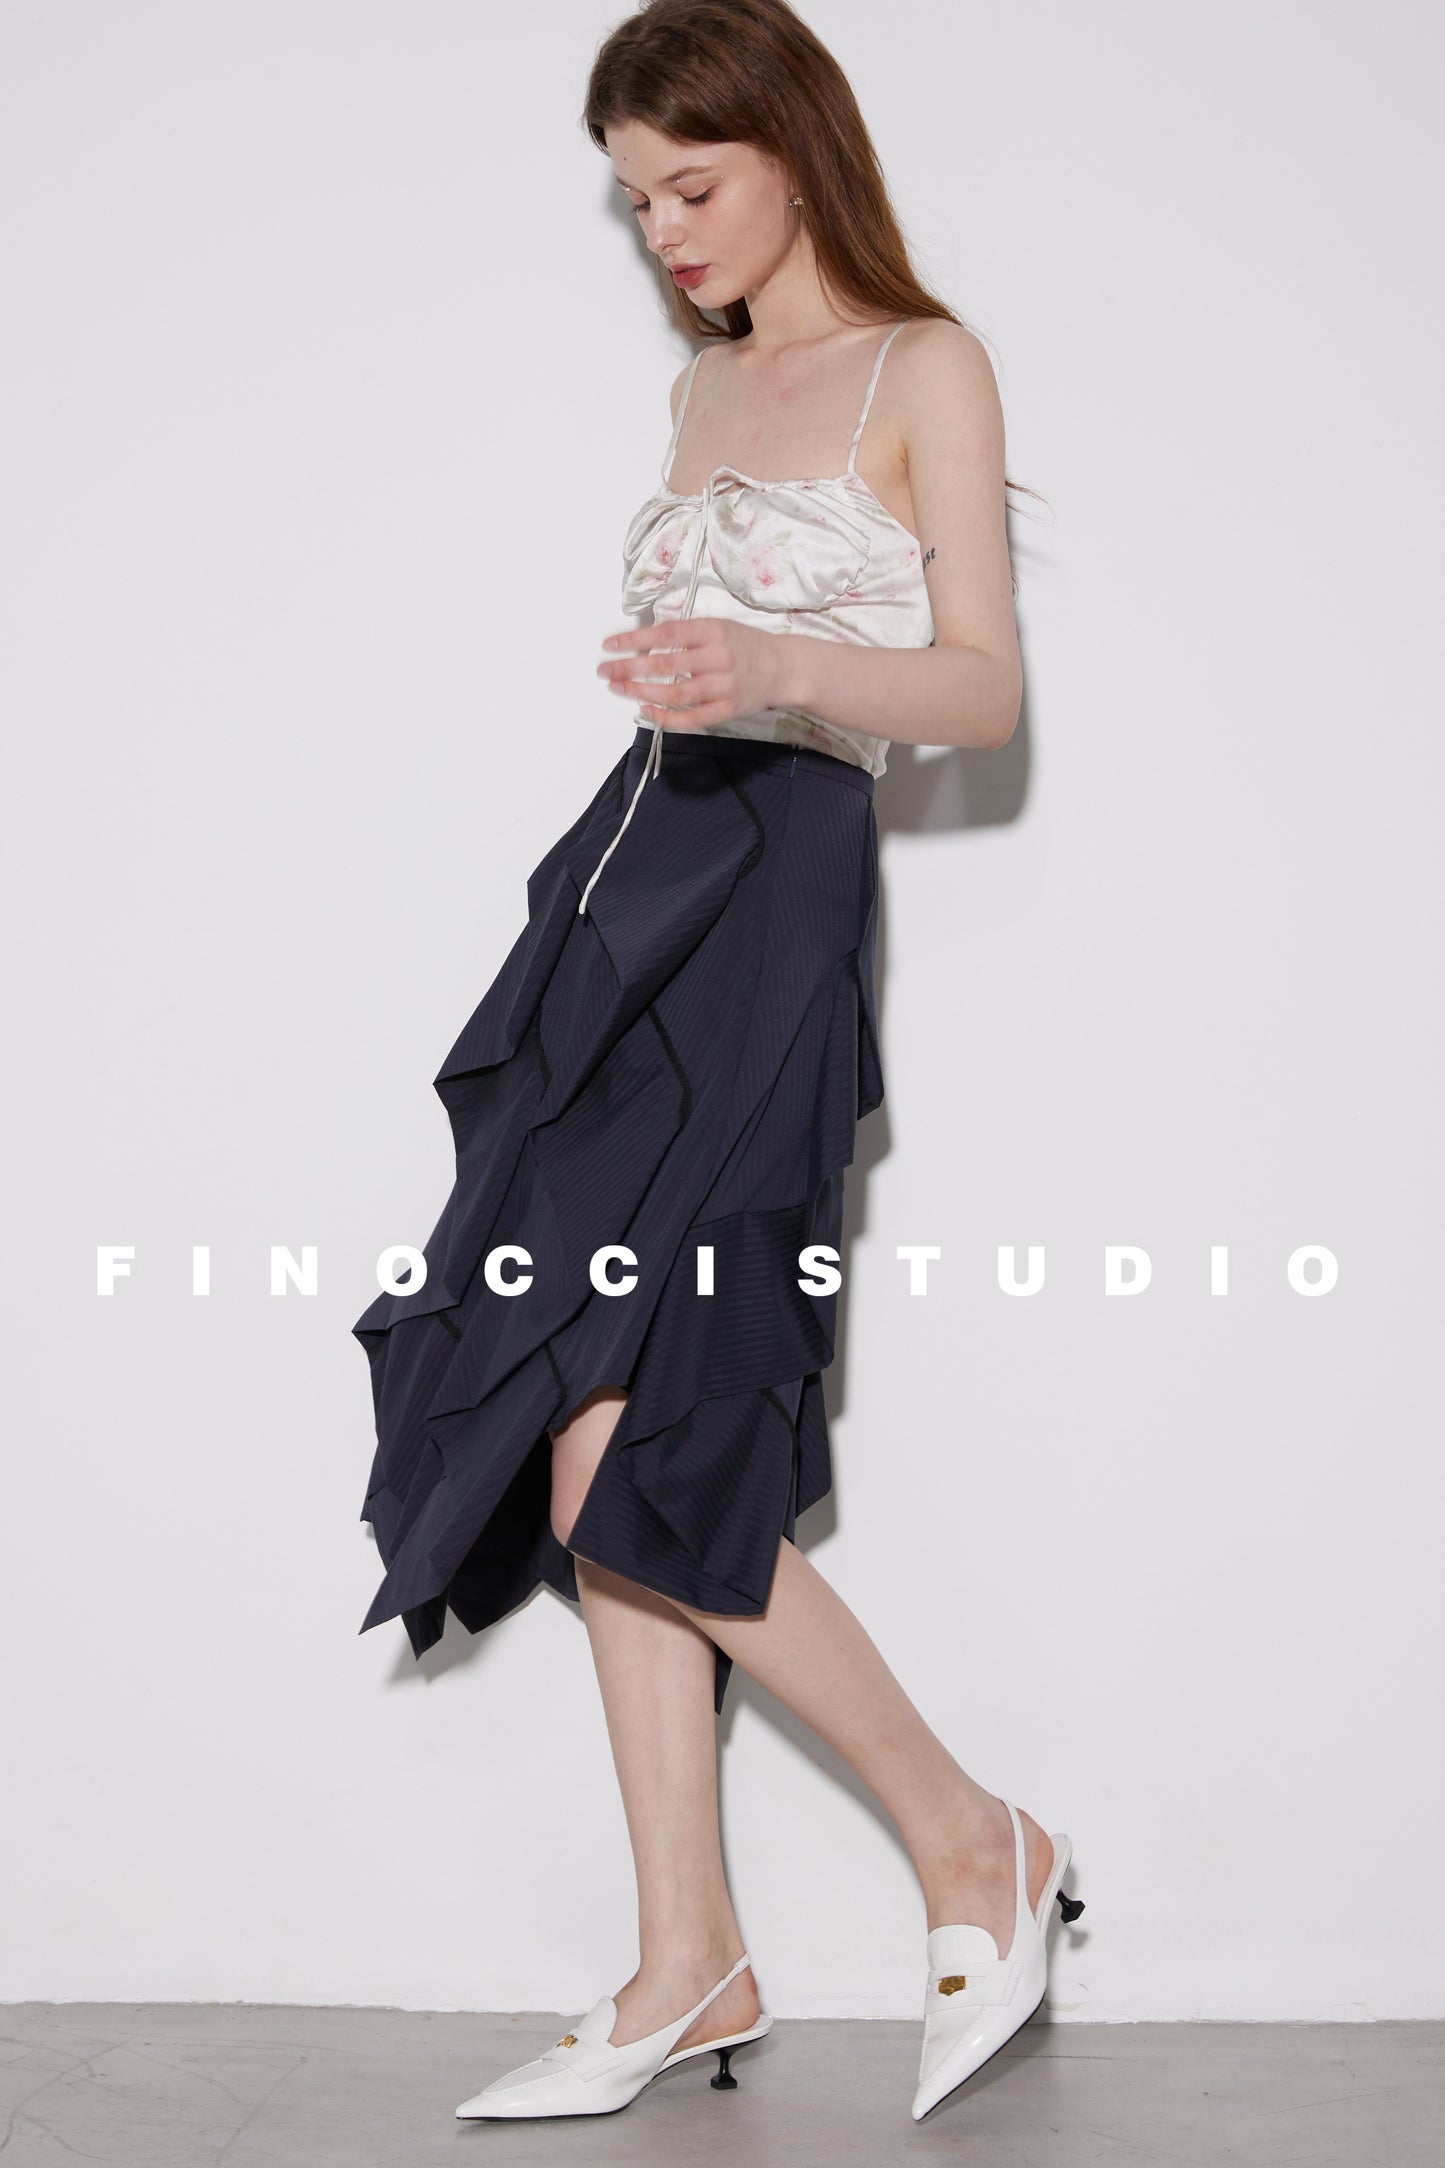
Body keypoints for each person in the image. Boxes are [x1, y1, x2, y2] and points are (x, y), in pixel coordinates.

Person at [351, 0, 1082, 2125]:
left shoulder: (921, 364)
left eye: (691, 183)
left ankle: (970, 1840)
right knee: (573, 1418)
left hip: (774, 892)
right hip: (629, 882)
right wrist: (694, 687)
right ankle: (690, 1960)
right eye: (633, 201)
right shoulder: (698, 385)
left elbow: (981, 692)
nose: (664, 230)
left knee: (644, 1445)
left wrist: (772, 659)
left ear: (790, 144)